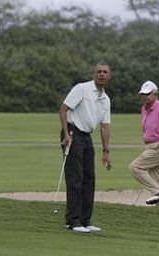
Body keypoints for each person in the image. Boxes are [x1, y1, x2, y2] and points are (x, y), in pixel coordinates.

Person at [59, 62, 112, 233]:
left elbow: (105, 126)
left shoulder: (106, 99)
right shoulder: (82, 89)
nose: (102, 74)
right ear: (93, 74)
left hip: (87, 137)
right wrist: (66, 135)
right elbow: (64, 109)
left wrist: (106, 151)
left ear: (109, 76)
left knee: (89, 178)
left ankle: (85, 220)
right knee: (76, 177)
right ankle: (72, 221)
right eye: (99, 72)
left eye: (105, 72)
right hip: (73, 133)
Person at [129, 80, 159, 206]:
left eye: (147, 94)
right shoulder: (144, 109)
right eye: (142, 94)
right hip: (152, 146)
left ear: (155, 94)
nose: (144, 97)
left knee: (135, 167)